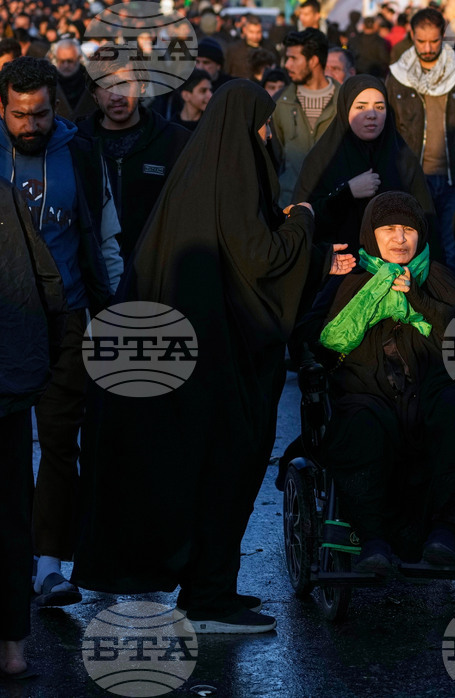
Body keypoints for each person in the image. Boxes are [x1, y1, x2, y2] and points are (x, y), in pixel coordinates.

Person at [72, 80, 317, 634]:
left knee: (200, 472)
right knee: (222, 471)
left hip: (184, 364)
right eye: (262, 124)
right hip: (213, 368)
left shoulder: (199, 174)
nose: (266, 134)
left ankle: (211, 589)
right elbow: (258, 257)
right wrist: (302, 223)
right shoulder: (232, 178)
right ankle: (208, 599)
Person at [314, 191, 455, 572]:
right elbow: (315, 338)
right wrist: (360, 314)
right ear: (371, 233)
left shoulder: (439, 276)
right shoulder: (351, 277)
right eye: (389, 229)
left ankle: (444, 531)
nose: (399, 238)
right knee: (360, 424)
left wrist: (418, 299)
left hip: (431, 389)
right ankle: (373, 540)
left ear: (420, 235)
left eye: (408, 229)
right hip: (369, 393)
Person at [0, 56, 121, 608]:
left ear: (56, 108)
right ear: (2, 109)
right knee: (5, 447)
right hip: (4, 319)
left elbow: (107, 234)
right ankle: (14, 557)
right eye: (20, 115)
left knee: (58, 441)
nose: (30, 126)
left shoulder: (80, 152)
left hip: (68, 316)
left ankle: (49, 563)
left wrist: (114, 305)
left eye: (41, 114)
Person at [0, 177, 65, 681]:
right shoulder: (4, 192)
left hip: (9, 379)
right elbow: (45, 278)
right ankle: (13, 648)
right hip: (9, 380)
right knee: (10, 511)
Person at [385, 7, 455, 279]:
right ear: (411, 35)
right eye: (421, 41)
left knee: (449, 250)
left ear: (443, 36)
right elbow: (388, 132)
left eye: (434, 41)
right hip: (411, 180)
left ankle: (447, 306)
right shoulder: (398, 77)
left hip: (452, 180)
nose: (427, 47)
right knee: (412, 249)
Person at [294, 74, 435, 256]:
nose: (371, 115)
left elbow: (425, 219)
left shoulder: (403, 157)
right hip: (340, 269)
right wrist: (348, 192)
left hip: (397, 273)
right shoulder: (322, 159)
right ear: (345, 111)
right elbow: (303, 219)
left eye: (379, 107)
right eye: (361, 107)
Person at [77, 67, 191, 265]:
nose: (116, 96)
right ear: (94, 94)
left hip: (156, 271)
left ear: (142, 87)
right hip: (95, 275)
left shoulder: (176, 141)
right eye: (106, 86)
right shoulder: (77, 143)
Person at [273, 28, 338, 208]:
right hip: (289, 206)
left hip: (335, 206)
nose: (287, 65)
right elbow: (274, 156)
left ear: (314, 60)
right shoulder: (279, 101)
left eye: (293, 58)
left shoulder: (346, 101)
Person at [50, 38, 95, 121]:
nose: (66, 65)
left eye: (70, 61)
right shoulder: (50, 82)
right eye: (62, 61)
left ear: (79, 58)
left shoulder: (90, 81)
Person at [224, 13, 264, 79]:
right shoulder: (234, 49)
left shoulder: (268, 48)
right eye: (251, 32)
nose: (255, 36)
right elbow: (227, 71)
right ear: (245, 30)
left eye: (258, 32)